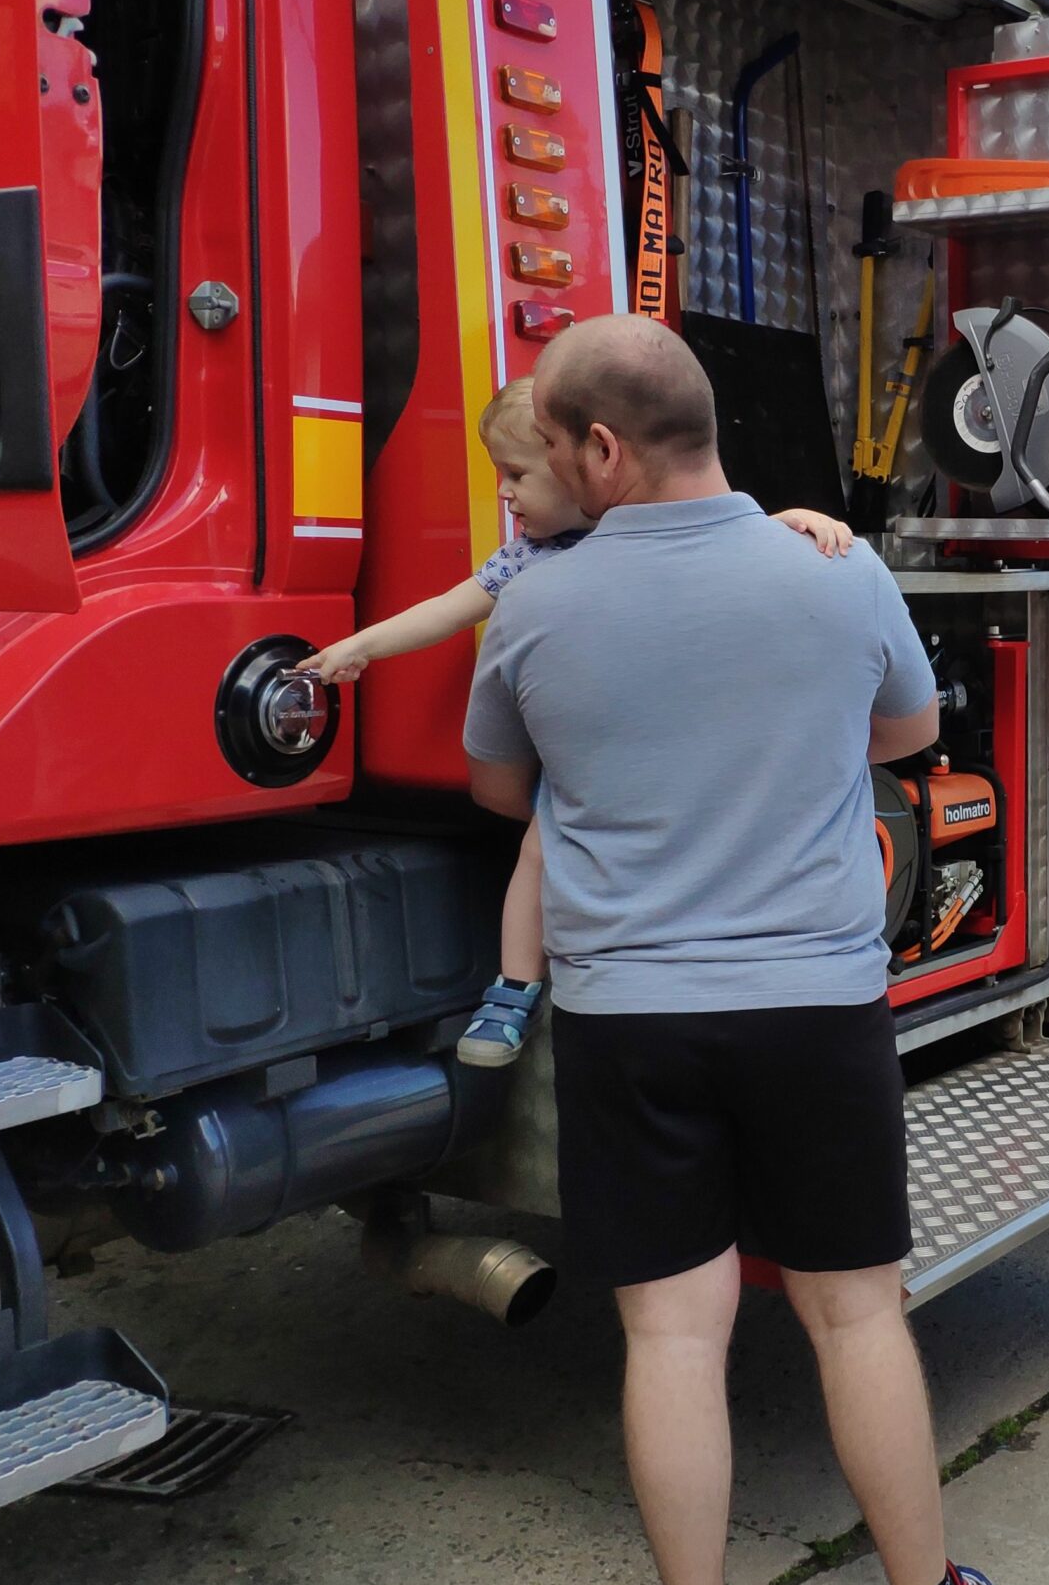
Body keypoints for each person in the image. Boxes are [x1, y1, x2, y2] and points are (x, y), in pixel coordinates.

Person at [461, 316, 998, 1585]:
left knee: (673, 1334)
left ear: (599, 449)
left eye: (549, 448)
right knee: (856, 1316)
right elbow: (908, 732)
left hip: (632, 1016)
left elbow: (500, 793)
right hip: (815, 1004)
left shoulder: (533, 608)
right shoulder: (835, 569)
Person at [299, 376, 851, 1069]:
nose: (504, 492)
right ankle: (513, 988)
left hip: (671, 740)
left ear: (583, 462)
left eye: (518, 473)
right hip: (591, 754)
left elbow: (733, 535)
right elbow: (447, 607)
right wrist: (360, 646)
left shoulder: (659, 530)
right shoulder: (528, 558)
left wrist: (798, 518)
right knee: (543, 841)